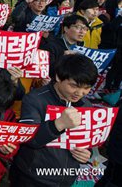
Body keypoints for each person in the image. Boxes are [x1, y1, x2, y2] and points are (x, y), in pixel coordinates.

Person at [10, 54, 98, 186]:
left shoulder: (86, 105)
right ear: (58, 77)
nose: (80, 93)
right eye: (74, 86)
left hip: (67, 178)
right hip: (33, 178)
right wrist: (58, 124)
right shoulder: (35, 99)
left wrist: (86, 154)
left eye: (86, 88)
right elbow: (28, 139)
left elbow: (86, 140)